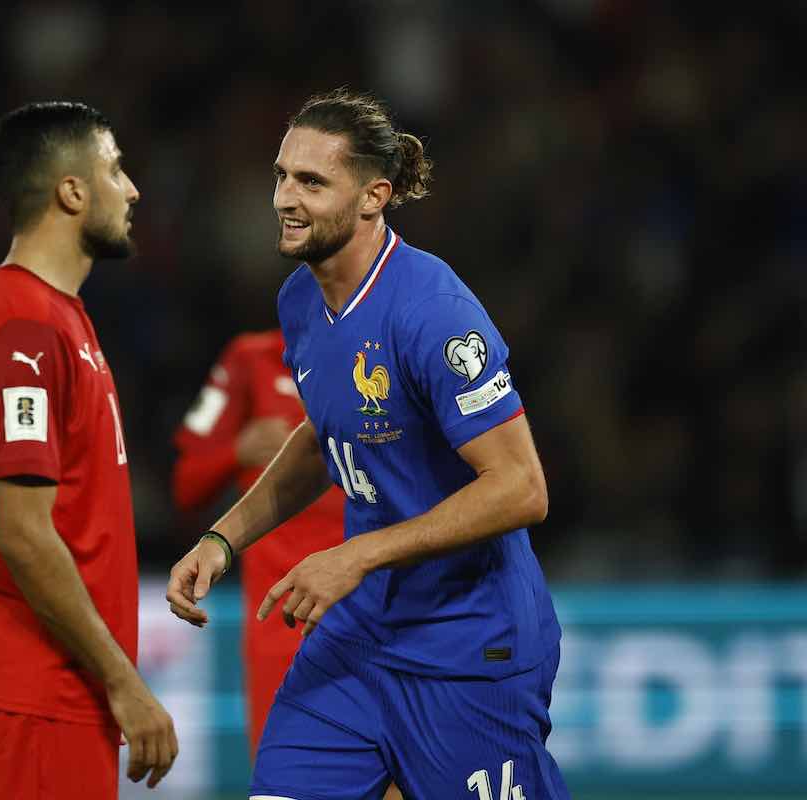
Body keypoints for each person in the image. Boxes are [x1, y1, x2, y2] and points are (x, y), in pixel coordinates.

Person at [167, 88, 569, 800]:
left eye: (312, 182)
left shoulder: (434, 312)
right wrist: (223, 540)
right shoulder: (299, 301)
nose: (285, 199)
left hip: (468, 645)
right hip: (359, 643)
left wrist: (355, 555)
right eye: (281, 176)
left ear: (373, 197)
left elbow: (522, 487)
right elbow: (322, 438)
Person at [0, 101, 177, 799]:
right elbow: (23, 534)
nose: (132, 189)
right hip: (33, 696)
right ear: (71, 192)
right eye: (115, 169)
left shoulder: (47, 313)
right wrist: (124, 681)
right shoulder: (25, 325)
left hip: (53, 696)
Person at [172, 330, 346, 754]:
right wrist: (237, 451)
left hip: (371, 612)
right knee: (283, 775)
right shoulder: (251, 359)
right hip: (280, 623)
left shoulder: (381, 352)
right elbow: (186, 485)